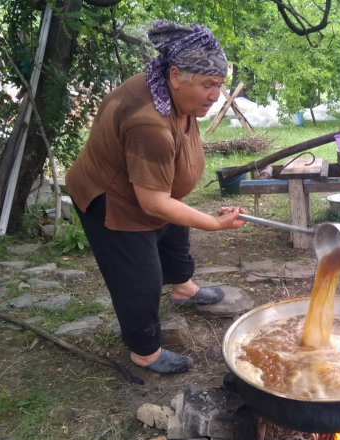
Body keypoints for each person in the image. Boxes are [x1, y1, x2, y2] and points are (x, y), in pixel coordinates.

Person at [66, 20, 246, 374]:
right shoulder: (149, 123)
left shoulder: (172, 91)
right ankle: (144, 352)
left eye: (219, 86)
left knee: (174, 232)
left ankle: (183, 289)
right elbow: (152, 203)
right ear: (177, 75)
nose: (215, 95)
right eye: (208, 85)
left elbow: (164, 200)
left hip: (152, 188)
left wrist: (183, 207)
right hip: (112, 199)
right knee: (139, 279)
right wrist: (212, 222)